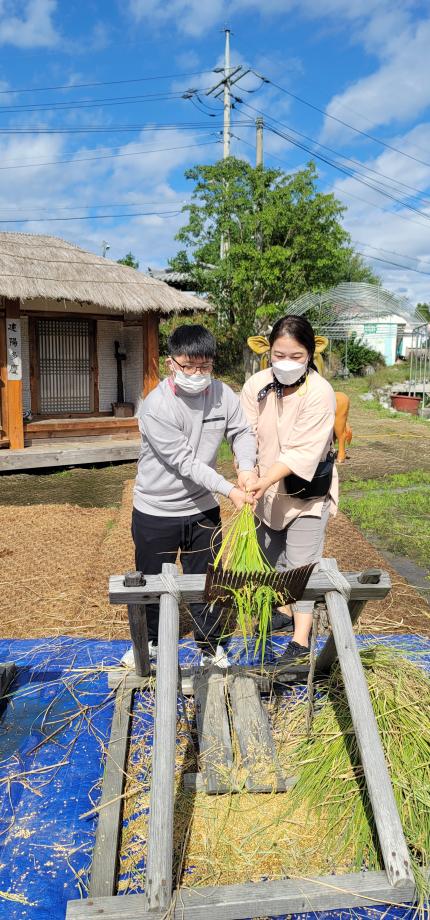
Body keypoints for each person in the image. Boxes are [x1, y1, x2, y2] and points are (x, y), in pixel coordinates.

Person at [121, 323, 256, 670]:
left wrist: (246, 466)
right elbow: (185, 462)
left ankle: (210, 644)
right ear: (171, 364)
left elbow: (241, 430)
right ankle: (151, 643)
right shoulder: (156, 406)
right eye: (189, 366)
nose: (197, 374)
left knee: (208, 580)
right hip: (157, 509)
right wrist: (230, 489)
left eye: (205, 367)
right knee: (151, 582)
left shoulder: (222, 394)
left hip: (202, 509)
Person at [240, 314, 338, 665]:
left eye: (296, 356)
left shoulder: (320, 393)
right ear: (268, 352)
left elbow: (301, 452)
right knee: (273, 561)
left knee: (300, 566)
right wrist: (245, 471)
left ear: (311, 354)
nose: (286, 363)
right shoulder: (256, 385)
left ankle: (300, 641)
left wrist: (263, 479)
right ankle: (284, 609)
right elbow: (244, 434)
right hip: (264, 491)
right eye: (279, 354)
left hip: (304, 493)